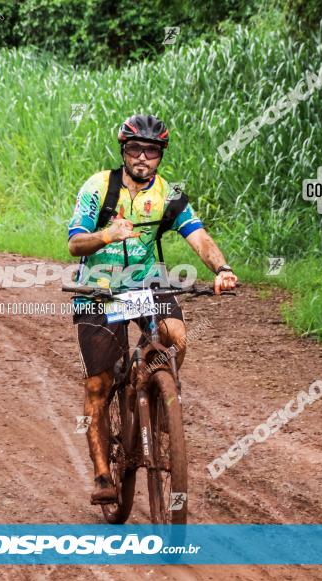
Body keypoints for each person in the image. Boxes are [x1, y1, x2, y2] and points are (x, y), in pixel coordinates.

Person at [67, 114, 238, 503]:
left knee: (175, 336)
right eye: (135, 149)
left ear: (160, 156)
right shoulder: (98, 187)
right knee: (99, 384)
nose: (142, 157)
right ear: (123, 151)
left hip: (145, 283)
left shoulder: (168, 194)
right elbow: (75, 245)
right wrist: (107, 234)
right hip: (99, 290)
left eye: (151, 151)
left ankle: (159, 406)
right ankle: (101, 476)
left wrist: (222, 269)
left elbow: (199, 236)